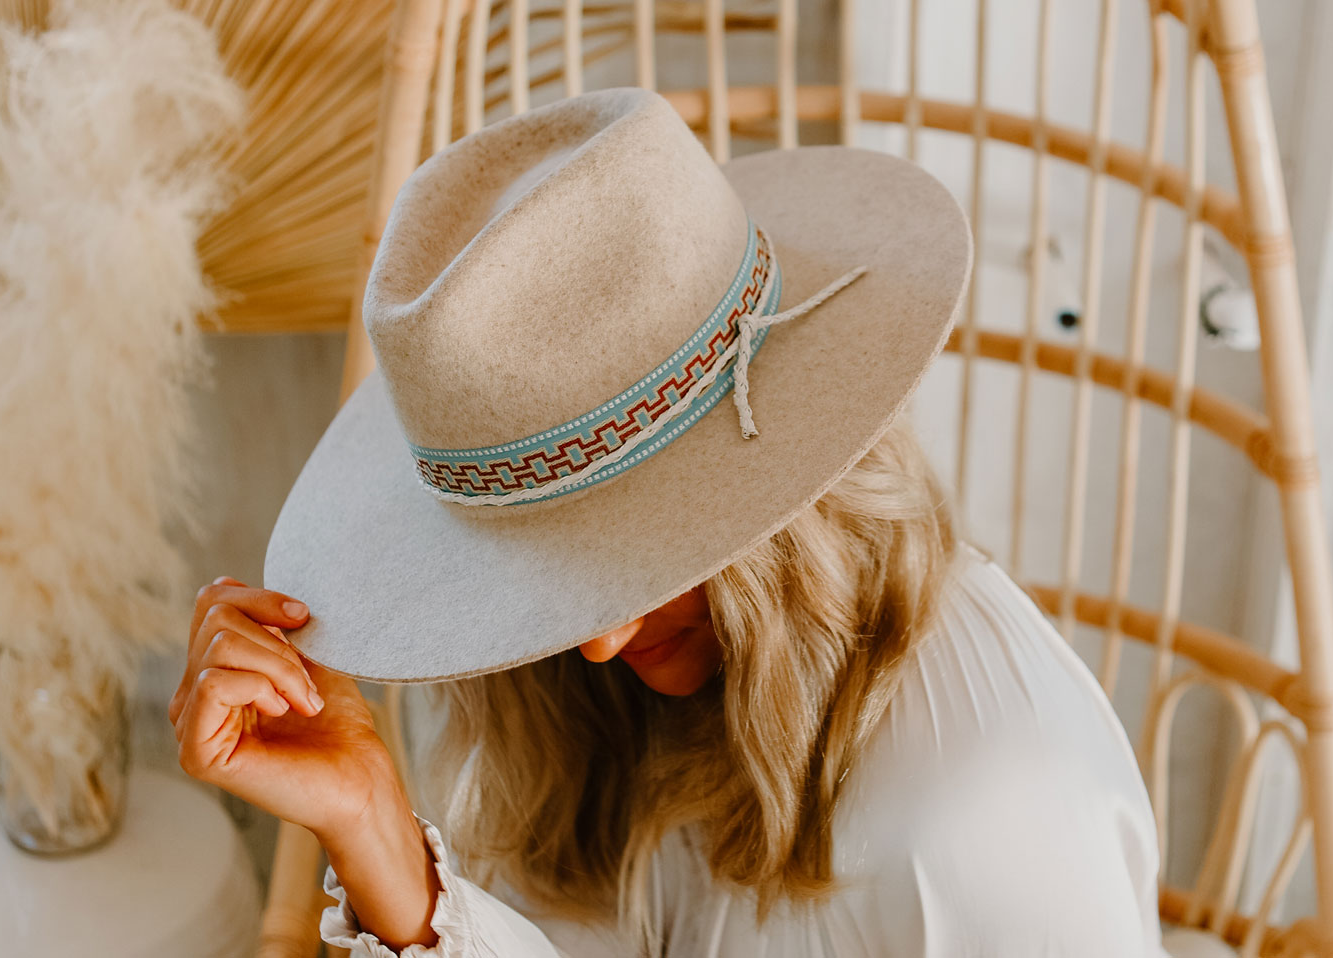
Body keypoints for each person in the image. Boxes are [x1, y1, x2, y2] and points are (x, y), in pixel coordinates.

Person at [169, 87, 1170, 956]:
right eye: (558, 568)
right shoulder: (581, 705)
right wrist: (375, 830)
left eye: (645, 546)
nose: (603, 640)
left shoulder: (994, 819)